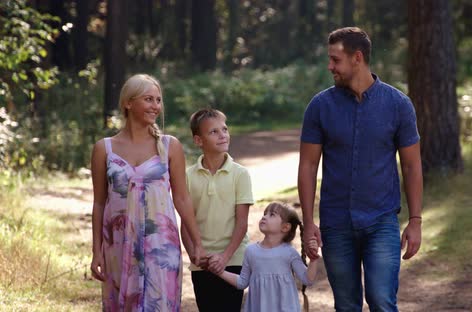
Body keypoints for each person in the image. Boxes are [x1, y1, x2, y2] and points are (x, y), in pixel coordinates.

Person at [298, 27, 424, 311]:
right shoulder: (319, 107)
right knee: (346, 305)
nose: (330, 67)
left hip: (381, 221)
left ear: (357, 58)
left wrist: (415, 220)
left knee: (381, 300)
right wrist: (308, 222)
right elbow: (307, 165)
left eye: (335, 60)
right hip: (336, 223)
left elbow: (412, 165)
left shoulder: (398, 105)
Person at [90, 74, 205, 311]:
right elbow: (100, 203)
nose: (155, 106)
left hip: (161, 246)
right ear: (128, 103)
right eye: (148, 99)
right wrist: (96, 251)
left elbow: (182, 198)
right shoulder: (104, 149)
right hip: (119, 245)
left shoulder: (169, 146)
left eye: (159, 100)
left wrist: (198, 244)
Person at [181, 108, 254, 312]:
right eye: (213, 132)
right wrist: (194, 254)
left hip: (234, 259)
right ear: (198, 140)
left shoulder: (240, 174)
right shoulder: (187, 176)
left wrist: (224, 257)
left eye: (225, 129)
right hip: (201, 262)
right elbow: (186, 222)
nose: (222, 135)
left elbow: (241, 222)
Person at [216, 202, 319, 312]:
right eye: (264, 214)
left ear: (285, 227)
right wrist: (219, 271)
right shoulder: (251, 251)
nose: (264, 217)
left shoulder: (289, 252)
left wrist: (313, 260)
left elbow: (307, 279)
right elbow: (242, 282)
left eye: (272, 214)